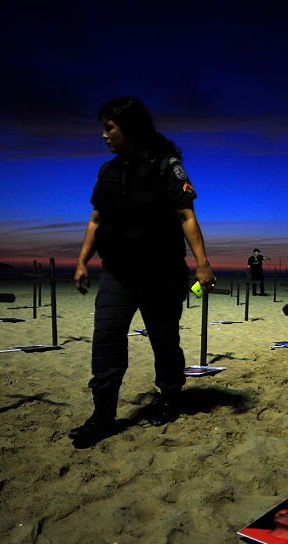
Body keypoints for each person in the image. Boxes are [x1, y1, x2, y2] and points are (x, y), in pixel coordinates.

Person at [69, 97, 215, 447]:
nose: (104, 134)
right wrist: (81, 261)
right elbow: (96, 220)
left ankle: (169, 398)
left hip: (161, 274)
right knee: (106, 341)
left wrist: (203, 263)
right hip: (117, 274)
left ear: (129, 128)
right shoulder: (108, 172)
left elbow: (186, 217)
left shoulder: (167, 166)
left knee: (164, 341)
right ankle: (102, 416)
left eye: (110, 127)